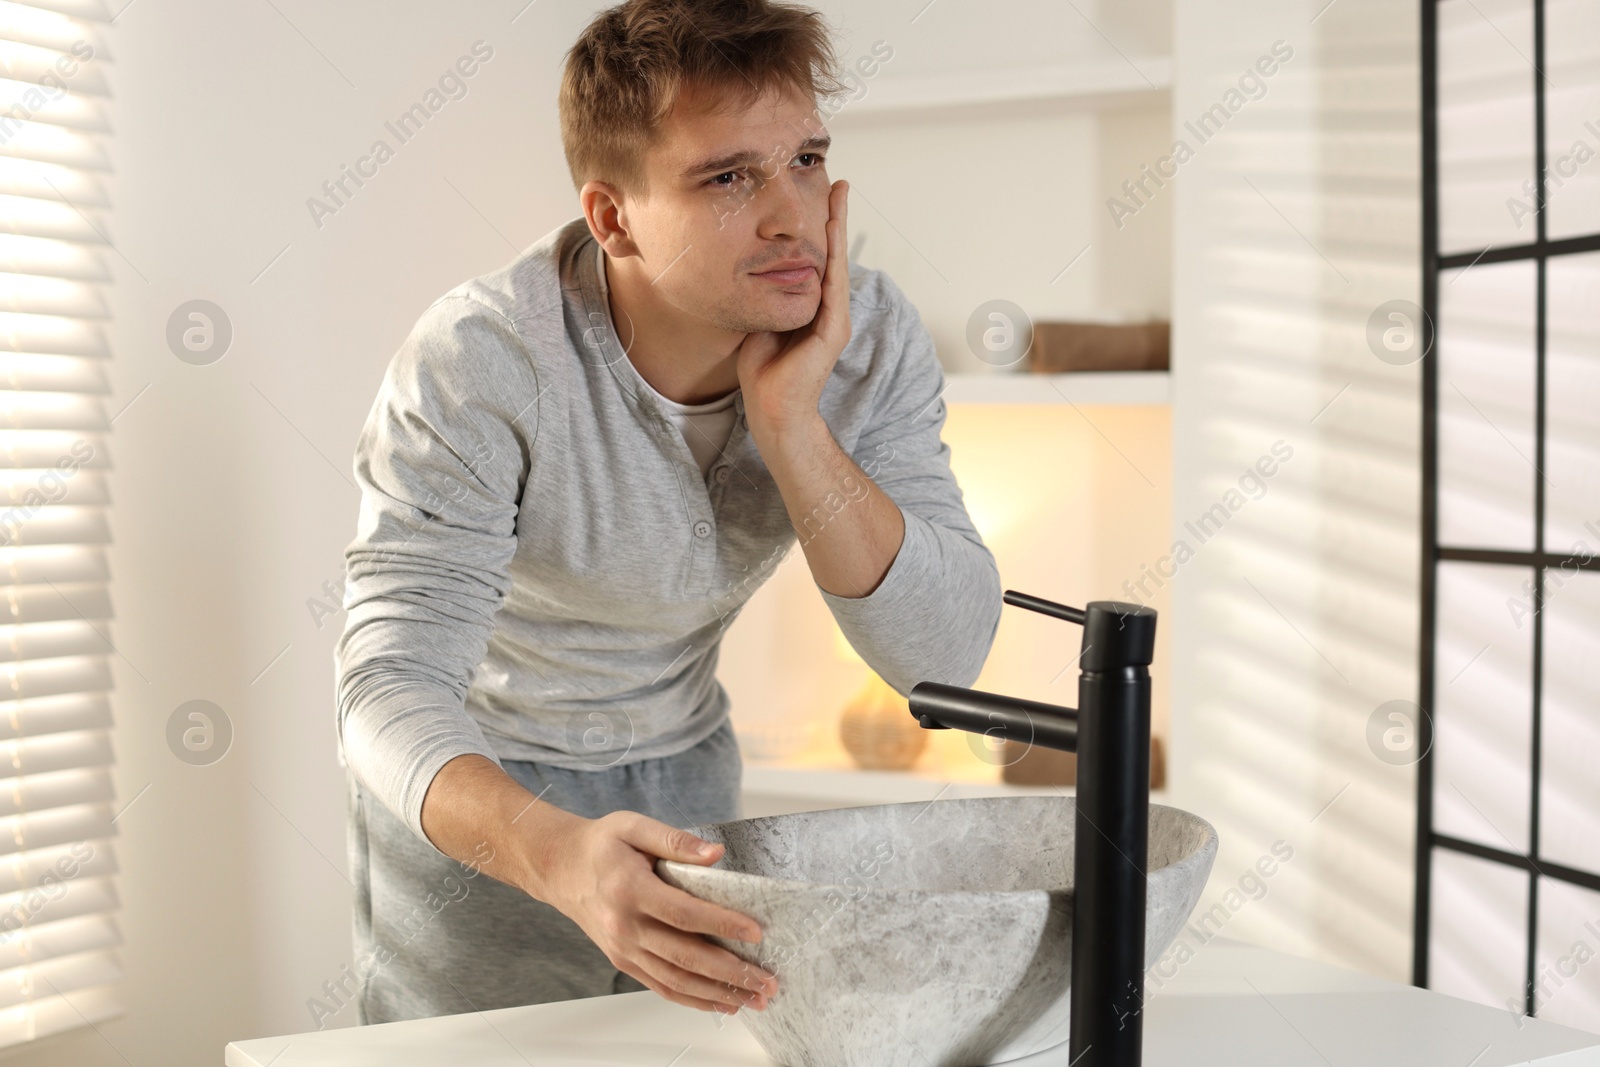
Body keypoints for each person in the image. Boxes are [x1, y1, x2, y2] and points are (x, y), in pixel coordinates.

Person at [333, 0, 1002, 1026]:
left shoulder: (862, 340)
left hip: (687, 774)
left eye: (807, 160)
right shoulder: (483, 360)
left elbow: (944, 658)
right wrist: (553, 849)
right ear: (612, 218)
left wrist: (792, 428)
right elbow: (386, 685)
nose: (792, 214)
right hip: (481, 802)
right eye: (729, 176)